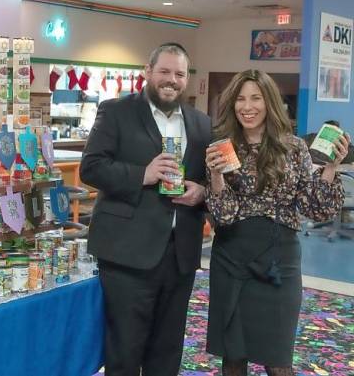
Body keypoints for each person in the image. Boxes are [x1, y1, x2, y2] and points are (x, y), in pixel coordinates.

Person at [204, 69, 349, 376]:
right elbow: (224, 215)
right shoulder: (224, 147)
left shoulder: (294, 148)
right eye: (240, 99)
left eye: (256, 98)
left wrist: (330, 169)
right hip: (232, 257)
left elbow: (315, 209)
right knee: (233, 355)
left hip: (279, 261)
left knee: (279, 360)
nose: (248, 106)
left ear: (269, 101)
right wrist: (216, 176)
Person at [80, 43, 211, 375]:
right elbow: (91, 167)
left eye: (179, 74)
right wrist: (143, 174)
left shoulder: (201, 124)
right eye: (164, 71)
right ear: (147, 72)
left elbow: (209, 178)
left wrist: (202, 192)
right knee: (125, 350)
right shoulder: (116, 111)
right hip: (127, 254)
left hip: (180, 255)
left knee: (167, 351)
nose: (172, 80)